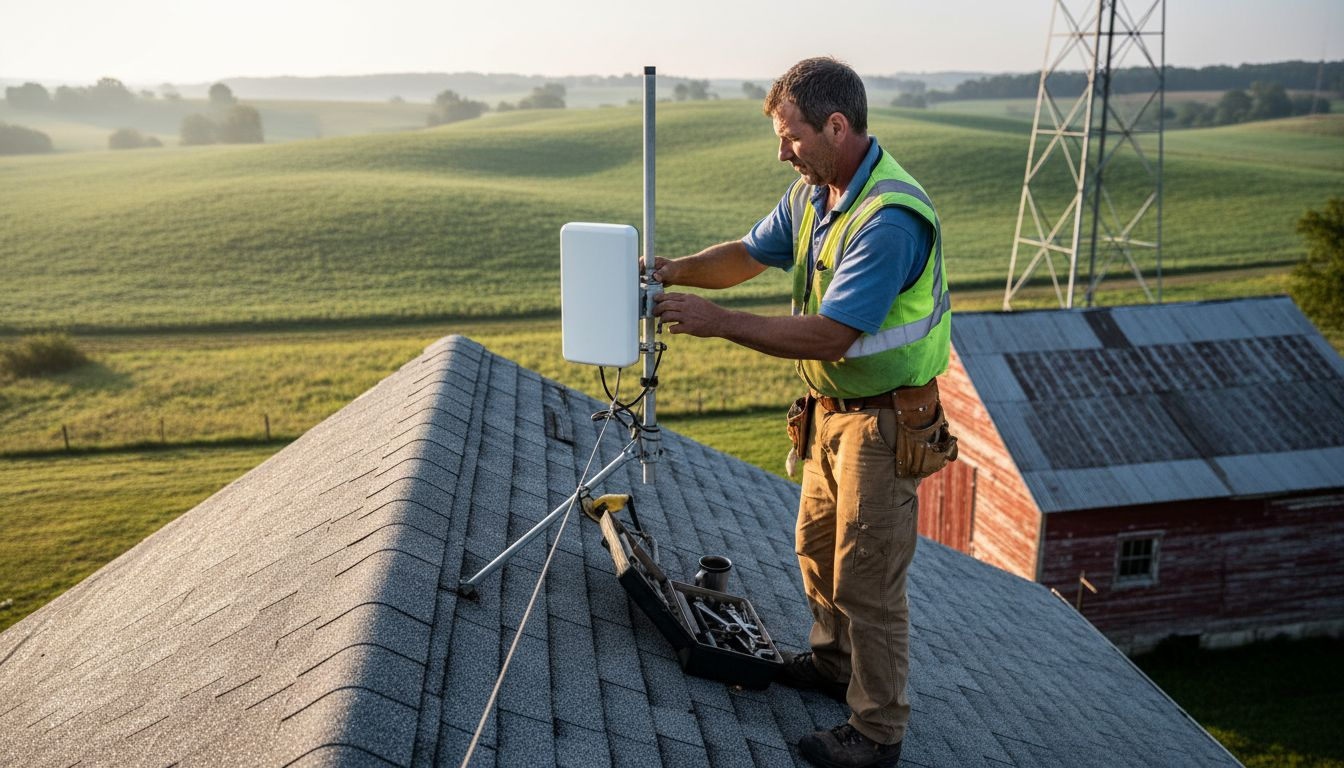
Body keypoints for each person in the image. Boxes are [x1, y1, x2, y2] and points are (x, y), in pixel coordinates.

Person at [651, 57, 955, 768]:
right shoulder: (814, 195)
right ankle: (832, 666)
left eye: (791, 136)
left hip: (883, 423)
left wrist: (717, 321)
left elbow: (831, 334)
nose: (782, 150)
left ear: (837, 126)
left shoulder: (888, 220)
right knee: (817, 552)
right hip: (829, 413)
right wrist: (670, 271)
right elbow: (748, 255)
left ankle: (878, 732)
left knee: (867, 580)